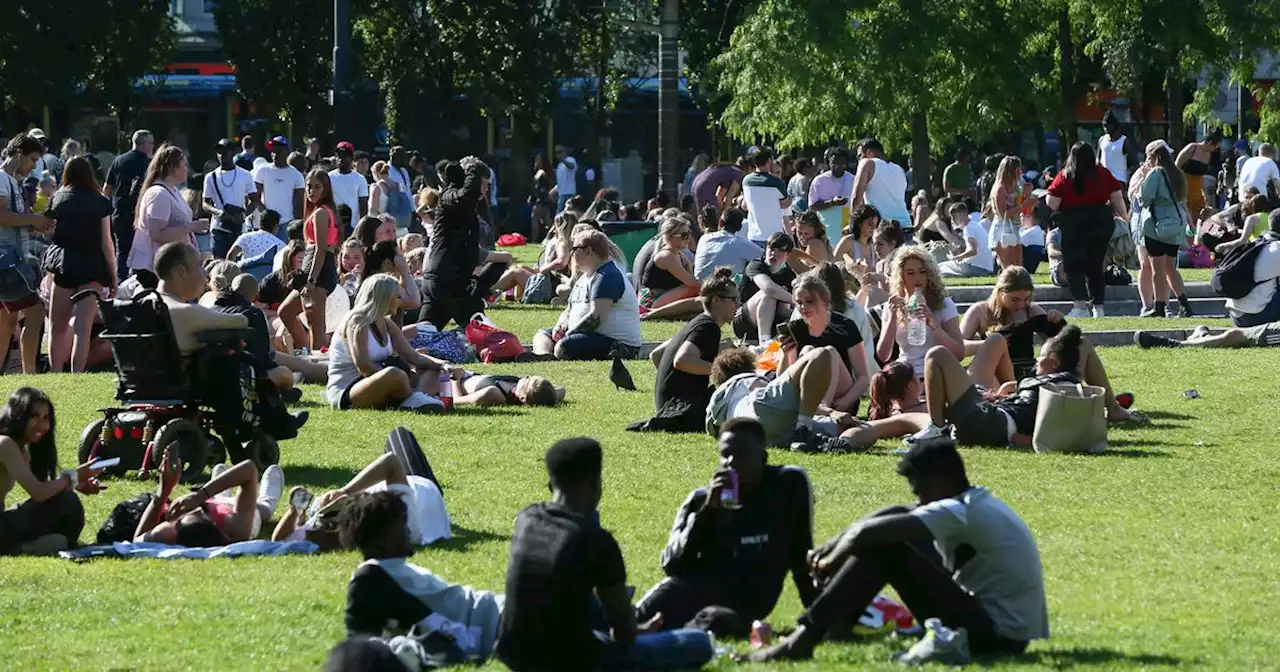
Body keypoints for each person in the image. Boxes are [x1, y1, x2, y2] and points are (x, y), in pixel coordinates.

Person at [746, 441, 1047, 663]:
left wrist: (827, 562)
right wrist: (833, 543)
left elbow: (868, 534)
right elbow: (897, 512)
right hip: (999, 627)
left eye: (919, 491)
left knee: (886, 549)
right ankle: (835, 626)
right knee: (892, 530)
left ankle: (804, 638)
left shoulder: (959, 512)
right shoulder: (974, 502)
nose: (918, 500)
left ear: (938, 482)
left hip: (995, 636)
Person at [495, 437, 714, 671]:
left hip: (514, 654)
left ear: (551, 484)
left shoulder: (527, 519)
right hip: (569, 662)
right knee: (699, 642)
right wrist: (633, 627)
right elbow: (625, 635)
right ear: (596, 482)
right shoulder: (597, 542)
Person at [635, 418, 816, 632]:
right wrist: (707, 514)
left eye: (741, 454)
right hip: (687, 595)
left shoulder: (787, 487)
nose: (731, 461)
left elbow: (801, 557)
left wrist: (819, 618)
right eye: (725, 454)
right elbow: (671, 565)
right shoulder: (701, 500)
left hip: (743, 606)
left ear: (763, 458)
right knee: (631, 622)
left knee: (719, 620)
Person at [337, 483, 498, 656]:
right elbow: (357, 642)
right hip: (494, 622)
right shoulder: (371, 578)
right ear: (382, 540)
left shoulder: (393, 569)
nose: (409, 531)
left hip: (495, 612)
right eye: (402, 526)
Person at [907, 325, 1095, 447]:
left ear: (1053, 363)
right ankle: (938, 426)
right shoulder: (1056, 384)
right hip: (993, 420)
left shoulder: (1063, 386)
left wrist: (1030, 442)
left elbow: (1068, 430)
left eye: (1041, 357)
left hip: (994, 422)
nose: (1037, 360)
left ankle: (937, 428)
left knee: (937, 354)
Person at [326, 274, 450, 411]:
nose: (401, 300)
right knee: (394, 374)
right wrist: (398, 379)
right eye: (397, 296)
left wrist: (443, 365)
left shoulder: (386, 323)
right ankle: (414, 398)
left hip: (379, 381)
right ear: (384, 298)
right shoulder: (356, 322)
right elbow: (364, 367)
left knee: (432, 371)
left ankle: (414, 399)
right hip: (349, 389)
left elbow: (413, 356)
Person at [0, 388, 101, 555]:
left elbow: (43, 491)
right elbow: (39, 493)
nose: (42, 424)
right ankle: (23, 548)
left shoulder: (20, 450)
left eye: (46, 418)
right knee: (68, 502)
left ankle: (30, 546)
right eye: (34, 416)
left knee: (66, 502)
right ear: (18, 415)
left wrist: (75, 482)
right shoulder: (5, 445)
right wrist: (72, 477)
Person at [638, 269, 737, 432]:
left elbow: (657, 354)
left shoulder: (697, 323)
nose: (738, 305)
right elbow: (682, 361)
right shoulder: (709, 327)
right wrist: (723, 371)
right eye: (734, 299)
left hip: (667, 408)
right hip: (684, 412)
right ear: (717, 300)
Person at [43, 156, 115, 373]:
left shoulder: (58, 198)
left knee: (58, 326)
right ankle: (78, 373)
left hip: (63, 264)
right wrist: (113, 277)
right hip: (92, 266)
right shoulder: (100, 201)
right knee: (83, 329)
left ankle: (55, 372)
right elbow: (106, 242)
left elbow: (48, 231)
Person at [706, 345, 848, 450]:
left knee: (867, 427)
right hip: (761, 411)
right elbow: (768, 394)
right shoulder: (744, 379)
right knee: (820, 353)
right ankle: (804, 428)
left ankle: (835, 445)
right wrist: (830, 412)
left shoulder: (719, 404)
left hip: (754, 435)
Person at [1046, 142, 1129, 318]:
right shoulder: (1102, 173)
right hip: (1100, 220)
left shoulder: (1065, 175)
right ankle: (1098, 307)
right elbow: (1116, 195)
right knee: (1096, 264)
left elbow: (1052, 203)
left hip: (1074, 222)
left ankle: (1080, 306)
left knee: (1074, 264)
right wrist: (1124, 216)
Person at [533, 230, 642, 361]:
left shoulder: (607, 275)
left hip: (618, 344)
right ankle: (543, 356)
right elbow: (569, 309)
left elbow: (596, 317)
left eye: (574, 249)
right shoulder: (585, 277)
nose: (571, 254)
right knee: (542, 335)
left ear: (588, 251)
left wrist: (568, 334)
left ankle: (554, 352)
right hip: (586, 335)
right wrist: (561, 324)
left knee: (565, 346)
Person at [134, 452, 284, 547]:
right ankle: (267, 500)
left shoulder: (170, 533)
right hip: (241, 512)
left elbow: (137, 542)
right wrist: (200, 496)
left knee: (218, 495)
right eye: (197, 513)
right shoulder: (235, 530)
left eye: (177, 521)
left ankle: (220, 490)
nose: (196, 509)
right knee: (262, 510)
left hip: (215, 503)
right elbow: (249, 469)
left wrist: (163, 492)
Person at [0, 135, 54, 375]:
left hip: (8, 259)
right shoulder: (2, 179)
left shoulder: (12, 181)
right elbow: (1, 216)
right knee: (35, 312)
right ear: (19, 153)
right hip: (6, 261)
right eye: (32, 159)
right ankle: (29, 373)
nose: (34, 165)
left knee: (7, 320)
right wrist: (32, 219)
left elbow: (11, 220)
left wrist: (33, 224)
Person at [418, 157, 492, 330]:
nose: (486, 188)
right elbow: (467, 195)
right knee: (481, 330)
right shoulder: (449, 197)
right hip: (446, 280)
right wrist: (473, 168)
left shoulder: (461, 202)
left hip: (447, 279)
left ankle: (397, 346)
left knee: (424, 333)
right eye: (483, 183)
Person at [783, 271, 872, 412]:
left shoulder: (845, 325)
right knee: (808, 350)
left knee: (829, 352)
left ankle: (822, 407)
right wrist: (786, 353)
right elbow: (786, 377)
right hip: (807, 393)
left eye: (809, 301)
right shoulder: (795, 328)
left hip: (841, 396)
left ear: (824, 299)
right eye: (799, 303)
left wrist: (846, 400)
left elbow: (863, 377)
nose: (803, 307)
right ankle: (817, 409)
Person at [959, 266, 1064, 381]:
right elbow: (959, 346)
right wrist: (993, 345)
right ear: (1000, 292)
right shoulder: (980, 311)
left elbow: (1058, 345)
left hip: (1025, 372)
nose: (1021, 305)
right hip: (994, 372)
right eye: (1014, 299)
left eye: (1026, 299)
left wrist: (1058, 322)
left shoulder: (1031, 310)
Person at [877, 246, 965, 379]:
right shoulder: (894, 306)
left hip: (936, 371)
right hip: (906, 372)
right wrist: (892, 318)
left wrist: (934, 326)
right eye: (910, 273)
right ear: (901, 276)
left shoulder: (945, 305)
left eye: (922, 272)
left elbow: (959, 353)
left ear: (929, 274)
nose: (917, 278)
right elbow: (883, 355)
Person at [127, 144, 210, 285]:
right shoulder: (159, 194)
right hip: (155, 269)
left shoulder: (173, 190)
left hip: (170, 265)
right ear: (172, 167)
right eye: (184, 164)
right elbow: (157, 233)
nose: (187, 169)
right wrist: (191, 227)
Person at [277, 169, 339, 350]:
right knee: (286, 312)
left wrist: (311, 281)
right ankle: (308, 352)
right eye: (309, 187)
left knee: (316, 326)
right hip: (313, 269)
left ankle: (318, 366)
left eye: (317, 187)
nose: (312, 191)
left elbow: (321, 249)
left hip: (317, 272)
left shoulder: (321, 213)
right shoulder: (319, 211)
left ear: (326, 189)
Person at [1138, 141, 1190, 320]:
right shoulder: (1176, 173)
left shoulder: (1155, 173)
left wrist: (1144, 178)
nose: (1147, 162)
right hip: (1175, 225)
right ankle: (1184, 304)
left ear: (1154, 157)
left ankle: (1159, 306)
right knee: (1171, 268)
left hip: (1157, 225)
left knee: (1157, 269)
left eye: (1149, 158)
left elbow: (1144, 199)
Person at [103, 130, 155, 276]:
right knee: (141, 250)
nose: (153, 147)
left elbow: (107, 189)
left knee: (122, 250)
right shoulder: (149, 164)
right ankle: (138, 282)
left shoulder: (118, 160)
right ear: (143, 144)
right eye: (151, 143)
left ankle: (120, 281)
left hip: (118, 211)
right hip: (139, 213)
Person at [733, 232, 799, 344]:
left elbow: (787, 306)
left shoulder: (787, 274)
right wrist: (797, 301)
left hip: (773, 319)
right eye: (771, 248)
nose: (774, 253)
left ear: (787, 255)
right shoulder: (755, 265)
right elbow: (769, 289)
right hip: (744, 320)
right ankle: (764, 343)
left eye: (780, 250)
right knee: (768, 295)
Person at [203, 138, 259, 260]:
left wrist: (243, 215)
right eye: (219, 152)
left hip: (238, 227)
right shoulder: (210, 177)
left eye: (225, 151)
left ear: (233, 153)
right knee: (219, 263)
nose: (221, 155)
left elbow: (255, 200)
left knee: (237, 264)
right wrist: (219, 212)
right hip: (219, 227)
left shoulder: (245, 175)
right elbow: (205, 203)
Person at [639, 218, 701, 312]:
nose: (688, 238)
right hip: (651, 301)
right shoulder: (666, 257)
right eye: (684, 235)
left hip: (664, 296)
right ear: (669, 237)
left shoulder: (680, 255)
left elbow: (692, 280)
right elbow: (692, 283)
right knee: (691, 288)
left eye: (689, 233)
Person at [253, 137, 305, 242]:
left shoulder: (296, 175)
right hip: (267, 224)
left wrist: (297, 224)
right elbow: (254, 197)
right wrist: (266, 214)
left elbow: (300, 203)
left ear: (287, 152)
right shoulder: (263, 170)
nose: (274, 154)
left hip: (287, 224)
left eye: (278, 151)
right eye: (272, 151)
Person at [851, 139, 911, 226]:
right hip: (905, 225)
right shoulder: (899, 169)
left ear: (869, 152)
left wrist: (852, 225)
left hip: (882, 229)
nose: (859, 161)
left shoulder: (867, 163)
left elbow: (856, 197)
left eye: (859, 156)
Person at [693, 207, 761, 280]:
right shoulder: (740, 243)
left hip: (700, 287)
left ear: (720, 222)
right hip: (724, 289)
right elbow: (764, 256)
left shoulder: (703, 239)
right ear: (739, 228)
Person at [741, 148, 792, 246]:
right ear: (769, 161)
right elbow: (785, 204)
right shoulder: (777, 183)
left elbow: (745, 205)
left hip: (753, 235)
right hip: (775, 236)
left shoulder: (746, 181)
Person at [937, 201, 995, 278]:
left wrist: (955, 258)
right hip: (986, 267)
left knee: (940, 267)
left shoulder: (969, 228)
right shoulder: (975, 225)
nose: (952, 220)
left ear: (962, 215)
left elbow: (973, 251)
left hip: (976, 268)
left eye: (954, 217)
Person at [986, 155, 1024, 269]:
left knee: (1018, 267)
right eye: (1018, 169)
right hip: (1002, 230)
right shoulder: (1000, 189)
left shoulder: (1015, 186)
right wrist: (1023, 206)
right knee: (1009, 269)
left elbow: (1017, 206)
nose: (1021, 172)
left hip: (1014, 228)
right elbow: (1003, 215)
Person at [809, 147, 855, 241]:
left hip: (847, 227)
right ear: (828, 162)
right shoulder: (820, 181)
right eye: (834, 163)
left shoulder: (853, 180)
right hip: (826, 227)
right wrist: (832, 203)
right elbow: (812, 206)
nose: (837, 166)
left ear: (846, 164)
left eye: (841, 163)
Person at [329, 141, 369, 236]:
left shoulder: (360, 179)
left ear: (351, 158)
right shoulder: (328, 177)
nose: (340, 158)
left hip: (353, 228)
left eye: (344, 155)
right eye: (338, 155)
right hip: (332, 226)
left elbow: (363, 205)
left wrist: (362, 227)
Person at [834, 204, 881, 268]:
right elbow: (834, 264)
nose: (873, 228)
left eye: (876, 225)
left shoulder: (874, 245)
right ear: (859, 222)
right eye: (870, 224)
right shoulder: (847, 242)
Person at [1097, 112, 1131, 185]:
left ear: (1114, 125)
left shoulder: (1124, 141)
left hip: (1119, 180)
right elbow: (1098, 160)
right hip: (1103, 180)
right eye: (1103, 125)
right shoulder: (1102, 140)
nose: (1105, 128)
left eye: (1107, 125)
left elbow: (1131, 162)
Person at [530, 155, 554, 242]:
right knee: (547, 221)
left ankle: (534, 239)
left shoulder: (540, 172)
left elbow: (536, 186)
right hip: (545, 200)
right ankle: (556, 235)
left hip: (540, 200)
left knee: (535, 219)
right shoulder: (548, 173)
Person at [551, 145, 578, 213]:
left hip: (570, 193)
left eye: (560, 152)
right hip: (561, 194)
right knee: (560, 215)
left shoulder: (570, 159)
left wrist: (562, 160)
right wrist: (554, 190)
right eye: (556, 153)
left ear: (565, 152)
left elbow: (571, 166)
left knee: (568, 214)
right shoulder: (559, 165)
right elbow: (561, 181)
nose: (558, 154)